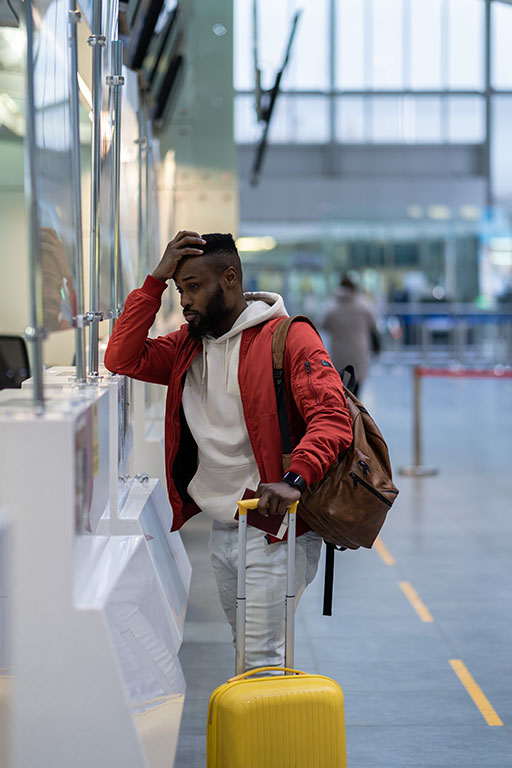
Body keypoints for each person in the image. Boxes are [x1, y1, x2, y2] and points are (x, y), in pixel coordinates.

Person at [104, 230, 352, 670]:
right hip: (226, 525)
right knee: (249, 652)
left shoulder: (288, 339)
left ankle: (274, 739)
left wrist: (297, 478)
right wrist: (153, 282)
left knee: (258, 659)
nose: (184, 300)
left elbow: (331, 418)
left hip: (277, 527)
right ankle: (267, 736)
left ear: (231, 278)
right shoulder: (186, 348)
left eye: (194, 287)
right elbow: (121, 358)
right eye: (180, 289)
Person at [323, 275, 380, 398]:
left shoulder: (332, 307)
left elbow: (324, 325)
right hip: (358, 353)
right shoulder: (364, 305)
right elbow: (374, 324)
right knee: (356, 391)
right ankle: (355, 415)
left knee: (341, 390)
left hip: (339, 354)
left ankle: (345, 415)